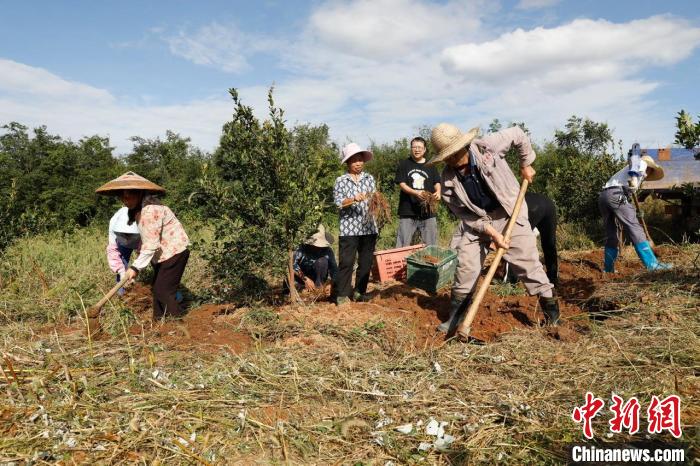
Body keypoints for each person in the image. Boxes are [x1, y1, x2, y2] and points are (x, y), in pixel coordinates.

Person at [427, 123, 560, 334]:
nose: (452, 159)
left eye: (454, 152)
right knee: (466, 266)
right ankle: (455, 319)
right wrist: (491, 233)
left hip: (509, 213)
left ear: (464, 144)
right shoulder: (447, 182)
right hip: (479, 223)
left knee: (528, 265)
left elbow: (517, 134)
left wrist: (526, 163)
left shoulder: (487, 147)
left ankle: (552, 316)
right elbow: (465, 216)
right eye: (447, 156)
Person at [96, 172, 190, 320]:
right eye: (121, 197)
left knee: (163, 291)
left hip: (174, 252)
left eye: (127, 196)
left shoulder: (150, 211)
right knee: (158, 290)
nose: (124, 200)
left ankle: (178, 324)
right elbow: (119, 250)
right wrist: (124, 271)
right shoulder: (136, 210)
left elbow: (150, 244)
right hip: (162, 254)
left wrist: (134, 268)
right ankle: (158, 321)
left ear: (139, 193)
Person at [599, 144, 671, 272]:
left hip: (604, 196)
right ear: (649, 168)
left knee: (612, 234)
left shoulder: (625, 174)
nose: (649, 174)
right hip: (616, 194)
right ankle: (652, 265)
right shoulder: (642, 165)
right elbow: (635, 155)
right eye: (651, 171)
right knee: (635, 228)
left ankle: (608, 269)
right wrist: (634, 177)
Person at [333, 143, 378, 305]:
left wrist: (377, 202)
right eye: (354, 160)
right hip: (349, 229)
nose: (358, 163)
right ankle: (342, 295)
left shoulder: (369, 178)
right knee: (346, 263)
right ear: (348, 163)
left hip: (368, 227)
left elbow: (374, 199)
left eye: (360, 160)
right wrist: (353, 199)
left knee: (366, 263)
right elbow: (338, 203)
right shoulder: (341, 181)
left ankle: (360, 292)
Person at [503, 192, 559, 286]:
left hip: (530, 207)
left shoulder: (508, 200)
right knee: (549, 243)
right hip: (549, 204)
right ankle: (553, 278)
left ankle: (510, 281)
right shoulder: (514, 193)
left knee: (514, 243)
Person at [395, 136, 441, 247]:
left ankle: (430, 263)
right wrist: (416, 193)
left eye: (420, 147)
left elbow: (437, 182)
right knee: (402, 244)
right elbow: (402, 184)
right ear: (411, 149)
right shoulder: (404, 164)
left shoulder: (431, 165)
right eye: (414, 147)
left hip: (428, 212)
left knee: (431, 245)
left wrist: (438, 192)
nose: (417, 149)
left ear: (425, 149)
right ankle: (400, 263)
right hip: (407, 211)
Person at [106, 206, 141, 295]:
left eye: (129, 235)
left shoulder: (143, 222)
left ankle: (168, 290)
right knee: (121, 261)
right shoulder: (114, 224)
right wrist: (122, 273)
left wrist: (135, 269)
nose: (127, 239)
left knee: (158, 263)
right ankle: (122, 293)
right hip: (122, 245)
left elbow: (146, 251)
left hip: (141, 241)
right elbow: (113, 252)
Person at [293, 224, 338, 291]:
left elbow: (334, 269)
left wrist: (331, 283)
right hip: (301, 278)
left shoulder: (327, 250)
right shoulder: (301, 248)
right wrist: (305, 278)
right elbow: (292, 265)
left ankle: (318, 288)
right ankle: (301, 288)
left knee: (322, 261)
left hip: (318, 277)